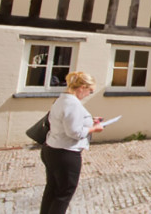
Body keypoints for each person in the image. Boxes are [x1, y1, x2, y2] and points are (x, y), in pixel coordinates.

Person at [41, 72, 104, 213]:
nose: (89, 94)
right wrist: (94, 128)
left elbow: (67, 123)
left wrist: (89, 121)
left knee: (52, 189)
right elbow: (74, 133)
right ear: (82, 87)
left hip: (51, 148)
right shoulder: (73, 104)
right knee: (63, 194)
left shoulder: (62, 99)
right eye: (90, 90)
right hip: (65, 153)